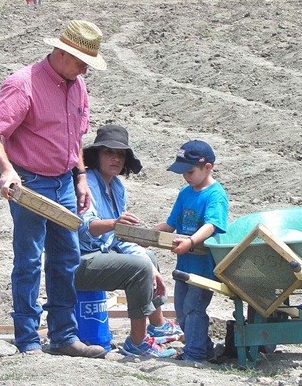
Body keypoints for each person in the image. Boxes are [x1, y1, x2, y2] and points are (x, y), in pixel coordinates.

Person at [0, 20, 108, 358]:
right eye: (83, 62)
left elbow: (75, 137)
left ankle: (64, 336)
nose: (85, 70)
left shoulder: (77, 85)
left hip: (64, 180)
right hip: (30, 183)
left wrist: (81, 176)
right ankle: (28, 339)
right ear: (63, 53)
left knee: (67, 258)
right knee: (29, 261)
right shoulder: (23, 85)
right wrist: (7, 170)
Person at [74, 125, 183, 358]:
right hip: (80, 260)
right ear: (97, 156)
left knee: (148, 258)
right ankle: (137, 342)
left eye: (120, 154)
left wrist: (147, 261)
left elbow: (121, 239)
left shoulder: (117, 187)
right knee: (140, 268)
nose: (115, 158)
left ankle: (158, 325)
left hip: (102, 254)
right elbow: (85, 230)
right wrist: (114, 223)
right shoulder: (86, 184)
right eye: (109, 153)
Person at [153, 140, 229, 362]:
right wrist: (149, 235)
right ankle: (204, 348)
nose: (186, 176)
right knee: (182, 311)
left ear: (208, 167)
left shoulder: (215, 195)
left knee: (194, 309)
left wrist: (191, 242)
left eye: (190, 171)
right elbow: (171, 224)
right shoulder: (185, 193)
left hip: (203, 266)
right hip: (184, 265)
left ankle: (195, 354)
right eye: (183, 172)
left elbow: (211, 225)